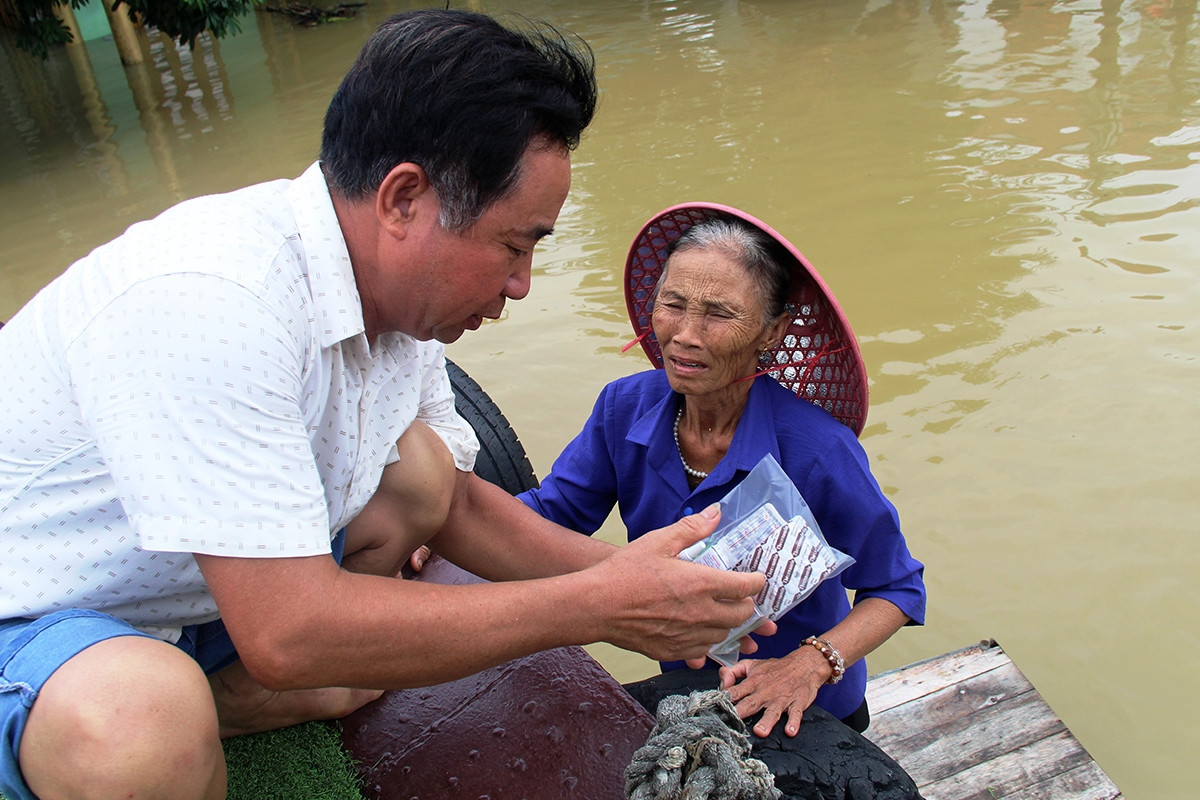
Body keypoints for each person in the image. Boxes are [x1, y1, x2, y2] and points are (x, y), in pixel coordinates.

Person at [0, 15, 772, 800]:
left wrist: (645, 581)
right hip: (43, 609)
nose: (521, 284)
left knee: (421, 471)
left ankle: (228, 697)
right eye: (514, 245)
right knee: (140, 727)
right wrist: (596, 607)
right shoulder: (214, 299)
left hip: (190, 592)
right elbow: (288, 631)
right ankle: (191, 697)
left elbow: (456, 507)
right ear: (404, 198)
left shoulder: (385, 299)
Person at [519, 203, 926, 738]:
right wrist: (446, 531)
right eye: (673, 304)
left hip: (807, 710)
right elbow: (553, 514)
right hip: (687, 695)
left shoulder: (819, 450)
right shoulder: (623, 408)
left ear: (772, 332)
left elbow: (896, 588)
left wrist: (808, 666)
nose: (685, 333)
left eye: (718, 313)